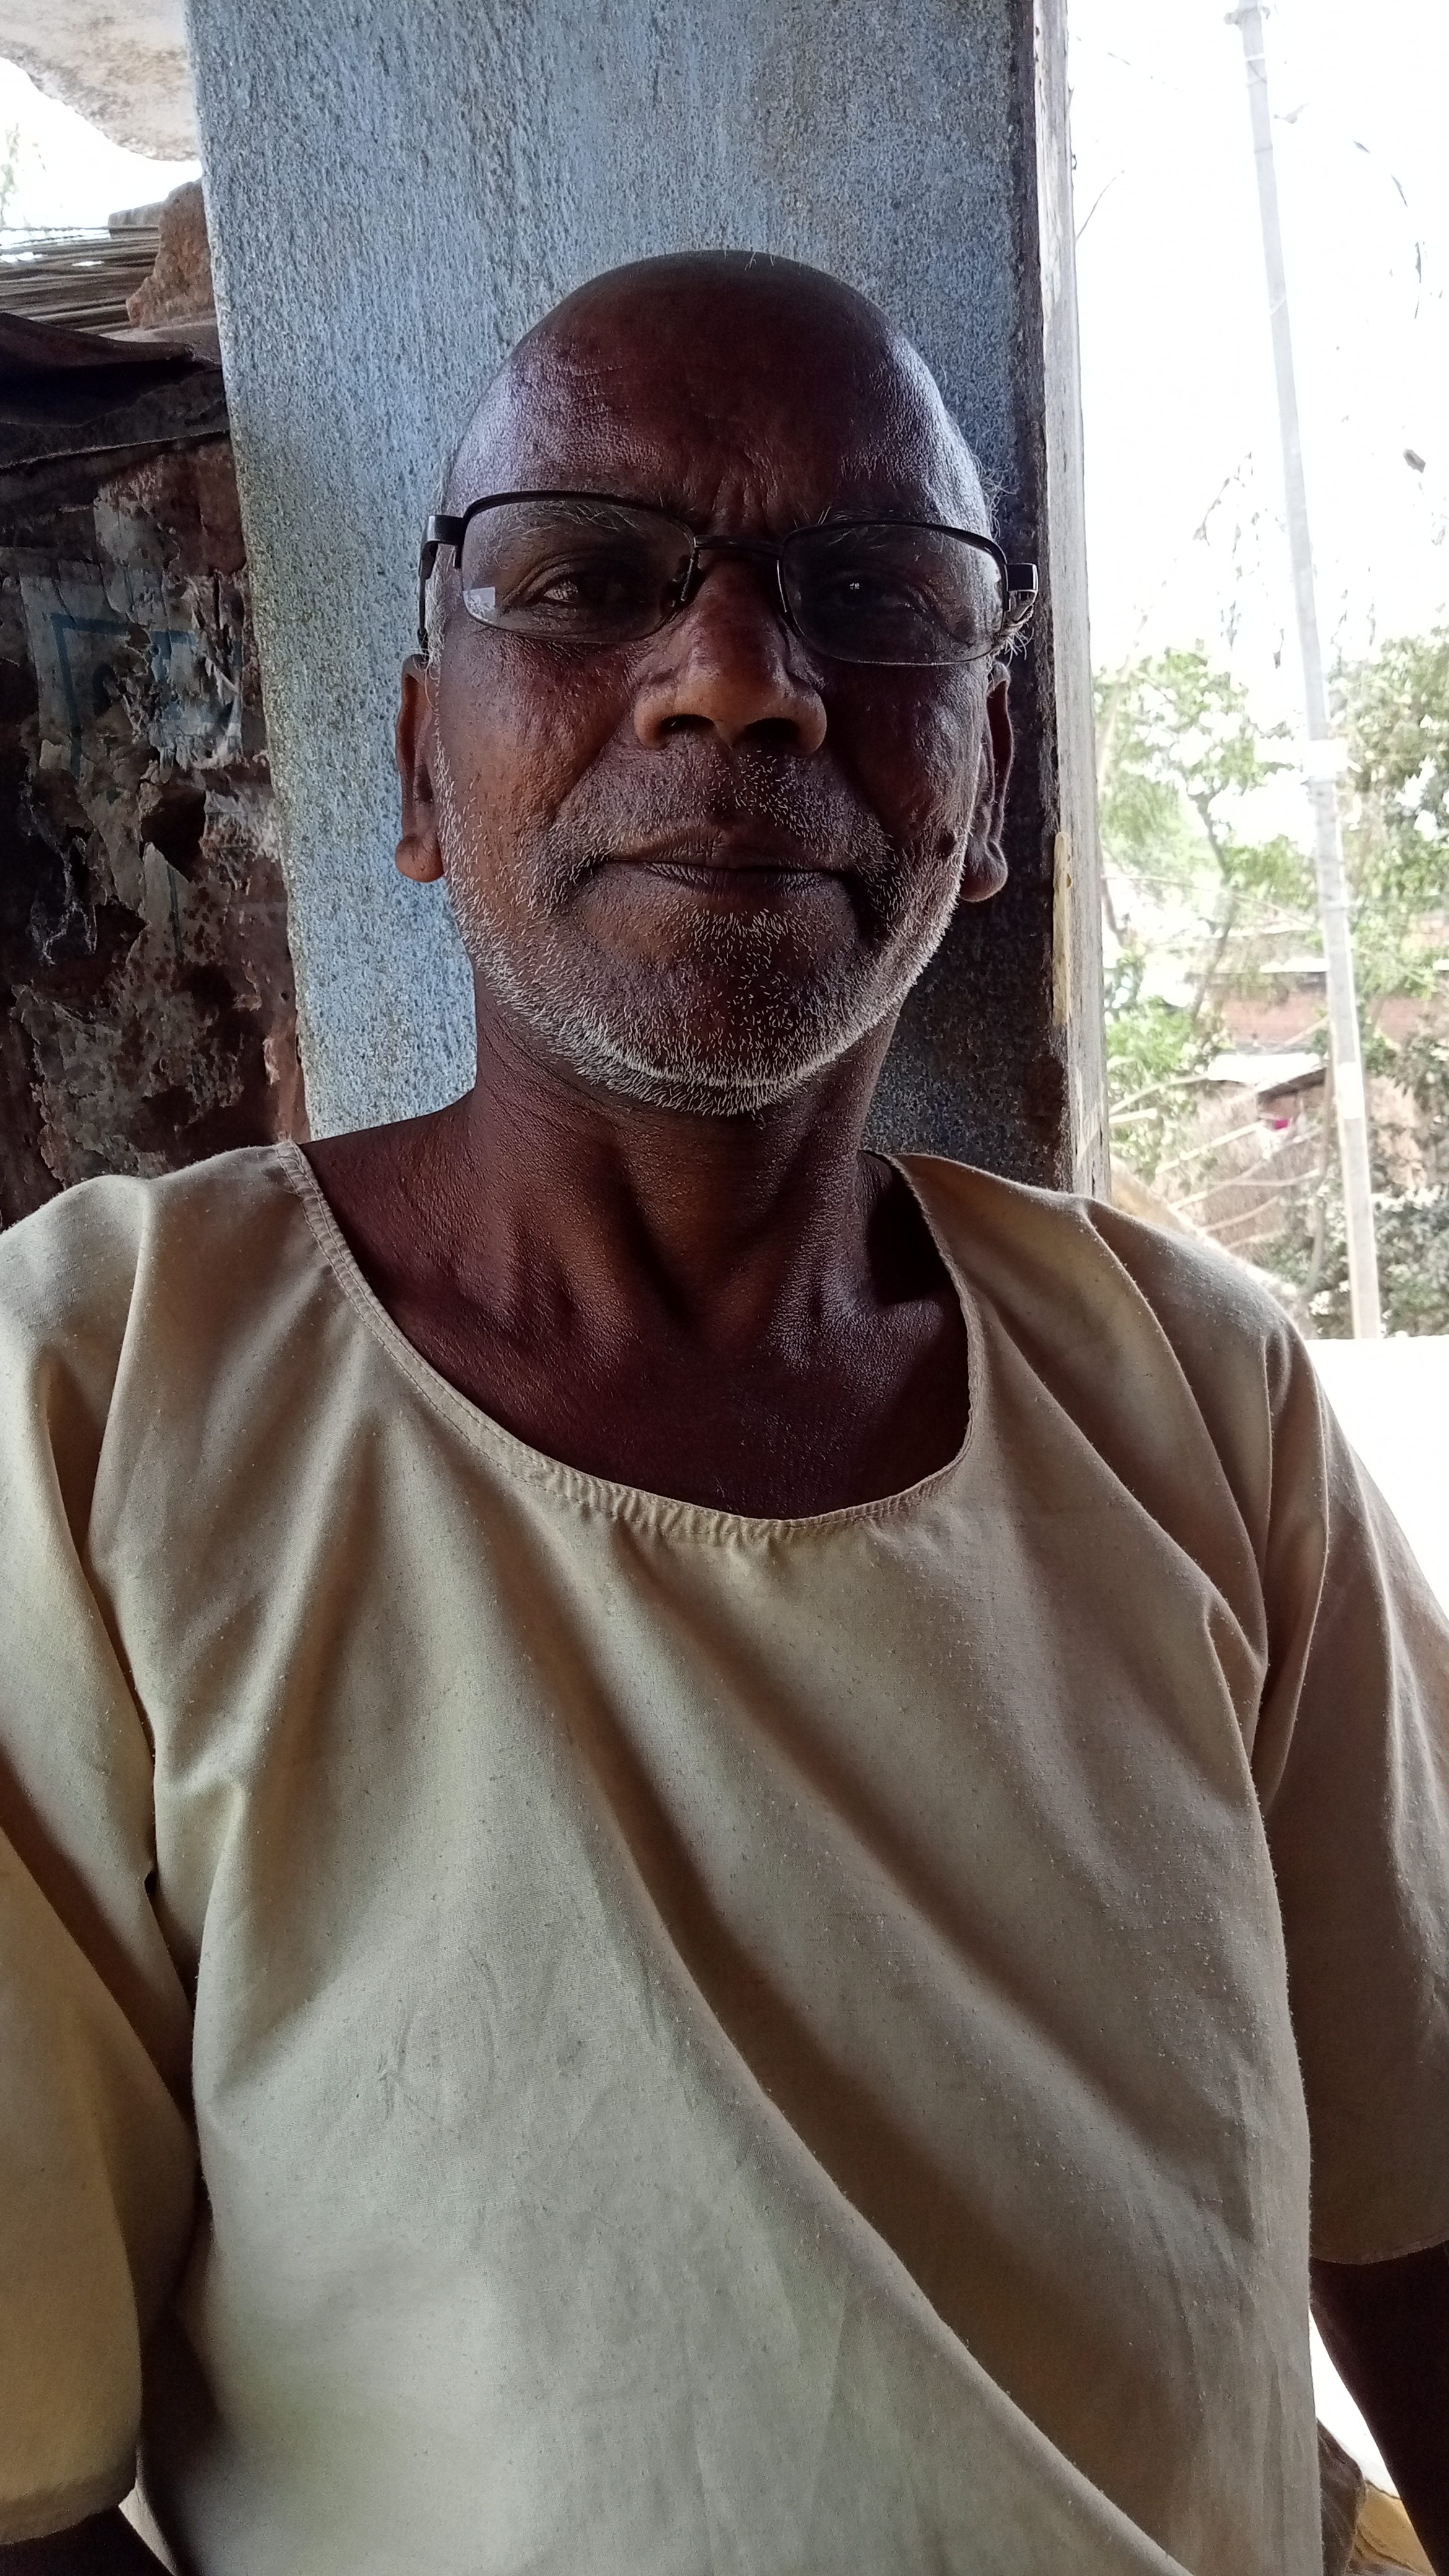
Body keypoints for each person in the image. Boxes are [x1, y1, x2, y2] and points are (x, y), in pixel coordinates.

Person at [0, 253, 1445, 2576]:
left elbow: (1414, 2206)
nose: (741, 680)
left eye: (875, 597)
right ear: (416, 769)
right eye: (587, 580)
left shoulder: (1195, 1389)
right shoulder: (93, 1398)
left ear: (988, 791)